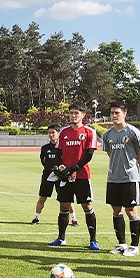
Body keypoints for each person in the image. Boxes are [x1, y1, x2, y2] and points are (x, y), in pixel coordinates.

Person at [48, 102, 99, 250]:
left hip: (82, 175)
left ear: (83, 115)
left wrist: (73, 168)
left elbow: (88, 155)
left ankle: (93, 240)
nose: (73, 115)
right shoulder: (64, 132)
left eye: (76, 113)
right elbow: (58, 153)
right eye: (71, 113)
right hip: (66, 177)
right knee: (64, 205)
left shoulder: (89, 132)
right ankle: (61, 238)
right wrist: (58, 168)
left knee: (87, 206)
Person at [102, 102, 140, 257]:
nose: (114, 115)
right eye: (112, 112)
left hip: (130, 178)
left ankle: (134, 246)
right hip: (113, 178)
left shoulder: (134, 132)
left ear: (124, 114)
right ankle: (121, 244)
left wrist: (132, 169)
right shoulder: (107, 135)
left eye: (117, 112)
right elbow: (110, 154)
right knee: (116, 210)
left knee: (131, 211)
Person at [30, 124, 77, 226]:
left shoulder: (63, 146)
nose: (51, 135)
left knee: (66, 198)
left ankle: (74, 219)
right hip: (48, 174)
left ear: (58, 133)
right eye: (49, 133)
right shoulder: (45, 147)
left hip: (61, 175)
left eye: (53, 133)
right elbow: (43, 160)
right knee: (42, 197)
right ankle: (36, 217)